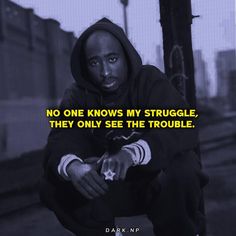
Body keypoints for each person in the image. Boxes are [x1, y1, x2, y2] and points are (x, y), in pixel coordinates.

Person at [40, 18, 208, 236]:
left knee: (183, 167)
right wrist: (73, 166)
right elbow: (62, 137)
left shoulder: (148, 80)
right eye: (94, 63)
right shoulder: (78, 94)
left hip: (154, 183)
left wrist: (132, 152)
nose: (105, 72)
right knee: (52, 183)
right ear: (85, 65)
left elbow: (182, 126)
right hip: (110, 188)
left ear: (126, 57)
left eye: (112, 59)